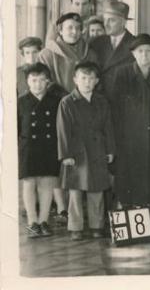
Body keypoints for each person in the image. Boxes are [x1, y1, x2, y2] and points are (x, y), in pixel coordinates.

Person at [106, 34, 150, 229]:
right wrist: (116, 137)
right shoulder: (122, 74)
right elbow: (115, 108)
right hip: (129, 137)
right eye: (140, 51)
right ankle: (129, 216)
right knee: (129, 174)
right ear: (133, 54)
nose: (145, 55)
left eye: (148, 51)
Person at [57, 61, 115, 241]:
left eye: (91, 78)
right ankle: (75, 226)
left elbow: (108, 127)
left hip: (98, 150)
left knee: (96, 189)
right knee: (75, 190)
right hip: (77, 153)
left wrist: (110, 149)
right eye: (83, 78)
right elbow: (62, 130)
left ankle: (97, 225)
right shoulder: (67, 102)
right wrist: (66, 154)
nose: (87, 82)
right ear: (75, 79)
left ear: (97, 81)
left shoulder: (102, 101)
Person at [18, 64, 67, 238]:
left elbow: (61, 128)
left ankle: (44, 220)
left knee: (47, 185)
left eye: (41, 80)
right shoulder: (21, 102)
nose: (37, 84)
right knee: (29, 184)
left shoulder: (55, 102)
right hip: (28, 149)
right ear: (27, 82)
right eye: (33, 80)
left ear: (48, 81)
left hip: (49, 148)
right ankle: (32, 222)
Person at [38, 13, 98, 93]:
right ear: (60, 31)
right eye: (70, 28)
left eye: (78, 28)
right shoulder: (46, 55)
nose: (74, 32)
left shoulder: (90, 54)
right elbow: (44, 83)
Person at [89, 0, 136, 93]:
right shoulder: (96, 43)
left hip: (122, 100)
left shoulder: (135, 44)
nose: (106, 24)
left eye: (111, 20)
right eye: (105, 20)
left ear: (123, 22)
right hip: (99, 100)